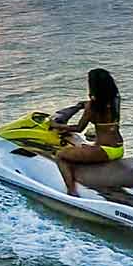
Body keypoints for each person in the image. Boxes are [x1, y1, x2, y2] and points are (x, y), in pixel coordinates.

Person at [50, 68, 124, 197]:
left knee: (60, 155)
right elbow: (102, 110)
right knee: (85, 145)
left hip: (104, 150)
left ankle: (71, 191)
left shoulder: (92, 106)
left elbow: (79, 128)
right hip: (118, 148)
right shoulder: (115, 100)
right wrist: (83, 105)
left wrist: (57, 125)